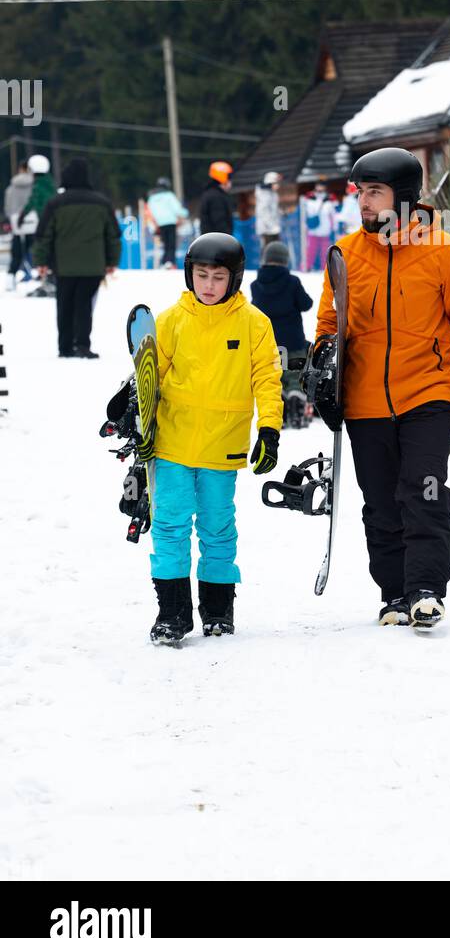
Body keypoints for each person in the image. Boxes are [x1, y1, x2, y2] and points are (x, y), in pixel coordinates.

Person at [314, 147, 450, 630]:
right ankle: (394, 591)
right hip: (365, 402)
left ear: (406, 197)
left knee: (425, 492)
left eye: (375, 192)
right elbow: (330, 325)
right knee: (381, 501)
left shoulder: (442, 251)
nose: (364, 202)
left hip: (426, 396)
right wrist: (324, 380)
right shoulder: (345, 255)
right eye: (360, 193)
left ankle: (426, 588)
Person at [149, 233, 283, 644]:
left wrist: (269, 430)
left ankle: (217, 609)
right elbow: (150, 376)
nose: (208, 284)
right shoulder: (171, 320)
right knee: (169, 526)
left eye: (218, 277)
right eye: (201, 275)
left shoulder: (254, 323)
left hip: (222, 446)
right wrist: (135, 414)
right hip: (171, 443)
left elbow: (267, 378)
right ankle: (171, 612)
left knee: (217, 528)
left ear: (235, 278)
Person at [31, 157, 120, 358]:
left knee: (64, 304)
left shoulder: (55, 203)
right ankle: (82, 344)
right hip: (93, 266)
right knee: (84, 305)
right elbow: (113, 234)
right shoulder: (102, 203)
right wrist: (112, 261)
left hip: (63, 266)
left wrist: (41, 261)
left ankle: (64, 347)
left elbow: (44, 235)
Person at [250, 240, 314, 429]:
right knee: (294, 375)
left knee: (276, 377)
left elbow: (255, 311)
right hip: (293, 341)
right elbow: (306, 304)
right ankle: (296, 400)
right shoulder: (292, 281)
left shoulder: (256, 284)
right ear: (285, 260)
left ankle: (281, 409)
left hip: (270, 343)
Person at [20, 155, 58, 297]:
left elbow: (32, 202)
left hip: (45, 223)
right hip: (56, 223)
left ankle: (49, 281)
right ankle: (52, 279)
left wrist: (22, 215)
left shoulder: (38, 186)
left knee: (43, 251)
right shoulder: (50, 183)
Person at [3, 160, 34, 289]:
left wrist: (10, 219)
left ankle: (11, 278)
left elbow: (8, 207)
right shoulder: (35, 185)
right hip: (33, 223)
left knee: (17, 252)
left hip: (17, 223)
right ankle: (32, 274)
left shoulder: (12, 187)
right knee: (32, 250)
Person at [146, 177, 188, 268]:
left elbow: (149, 211)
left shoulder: (152, 198)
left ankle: (165, 262)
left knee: (165, 244)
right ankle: (170, 262)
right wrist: (185, 213)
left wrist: (153, 223)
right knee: (171, 244)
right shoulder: (169, 195)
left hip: (159, 224)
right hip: (170, 222)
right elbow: (177, 209)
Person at [303, 181, 338, 271]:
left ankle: (326, 268)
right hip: (313, 230)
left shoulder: (330, 200)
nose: (319, 188)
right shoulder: (309, 198)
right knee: (310, 251)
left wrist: (334, 227)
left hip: (325, 230)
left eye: (321, 186)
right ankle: (306, 267)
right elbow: (305, 214)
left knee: (325, 252)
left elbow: (333, 215)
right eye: (318, 186)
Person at [199, 161, 234, 236]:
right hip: (217, 241)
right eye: (229, 177)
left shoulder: (210, 193)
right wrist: (228, 237)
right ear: (223, 177)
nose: (231, 182)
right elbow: (219, 221)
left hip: (211, 239)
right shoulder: (216, 197)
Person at [254, 171, 283, 254]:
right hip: (267, 228)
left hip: (274, 226)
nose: (278, 185)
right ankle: (266, 264)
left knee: (276, 247)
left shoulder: (273, 193)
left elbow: (273, 207)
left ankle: (275, 263)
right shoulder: (264, 194)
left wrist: (280, 212)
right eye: (276, 183)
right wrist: (271, 226)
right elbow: (263, 211)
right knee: (268, 248)